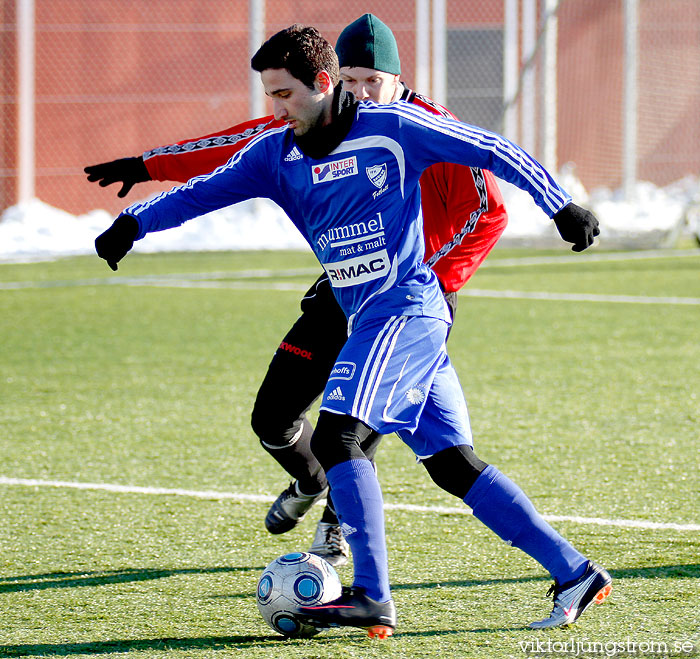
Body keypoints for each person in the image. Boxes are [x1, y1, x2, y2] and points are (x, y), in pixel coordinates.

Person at [93, 24, 610, 638]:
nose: (275, 108)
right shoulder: (275, 154)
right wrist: (133, 223)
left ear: (321, 83)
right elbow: (205, 191)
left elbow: (491, 148)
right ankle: (575, 572)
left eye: (283, 95)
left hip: (408, 310)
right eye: (269, 95)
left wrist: (560, 204)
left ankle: (370, 595)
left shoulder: (390, 130)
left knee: (339, 437)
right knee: (452, 463)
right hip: (366, 316)